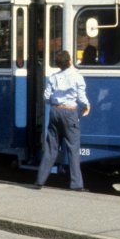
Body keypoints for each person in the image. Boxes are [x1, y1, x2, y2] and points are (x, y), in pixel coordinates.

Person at [35, 50, 91, 191]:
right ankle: (76, 184)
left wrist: (54, 105)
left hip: (55, 111)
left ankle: (40, 180)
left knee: (51, 147)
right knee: (73, 148)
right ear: (70, 61)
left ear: (59, 65)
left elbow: (46, 96)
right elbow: (81, 97)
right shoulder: (78, 77)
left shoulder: (53, 77)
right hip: (70, 112)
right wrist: (86, 106)